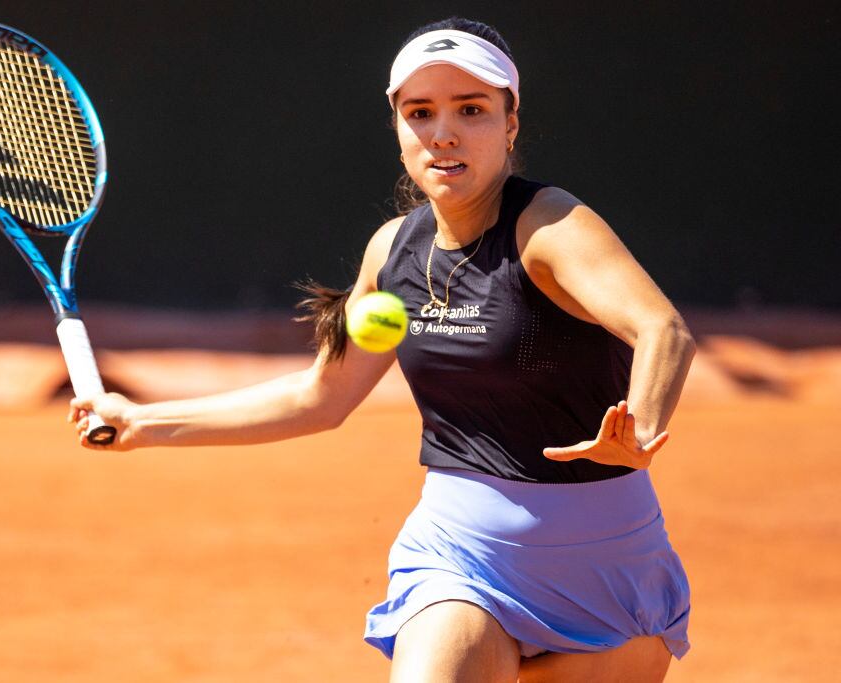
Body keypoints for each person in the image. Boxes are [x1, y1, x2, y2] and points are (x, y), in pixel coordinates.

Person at [69, 17, 695, 682]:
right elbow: (321, 395)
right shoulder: (392, 249)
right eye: (420, 112)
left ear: (511, 124)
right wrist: (143, 420)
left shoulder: (550, 225)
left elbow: (663, 329)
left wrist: (643, 429)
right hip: (461, 558)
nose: (443, 132)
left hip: (607, 576)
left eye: (472, 110)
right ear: (398, 129)